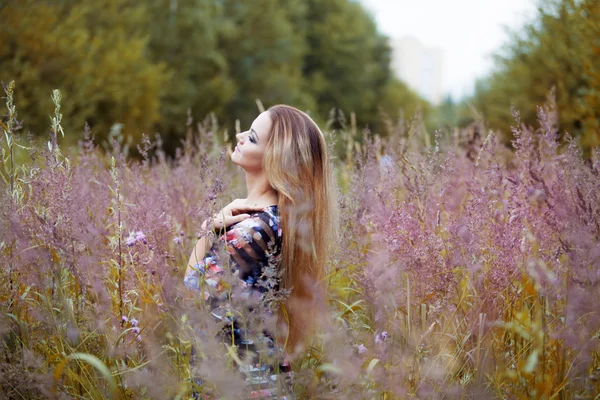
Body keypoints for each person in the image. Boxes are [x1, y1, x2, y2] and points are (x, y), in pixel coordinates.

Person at [184, 105, 338, 399]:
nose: (240, 136)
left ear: (275, 159)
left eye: (252, 137)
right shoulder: (273, 219)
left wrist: (206, 229)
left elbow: (192, 291)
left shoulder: (254, 229)